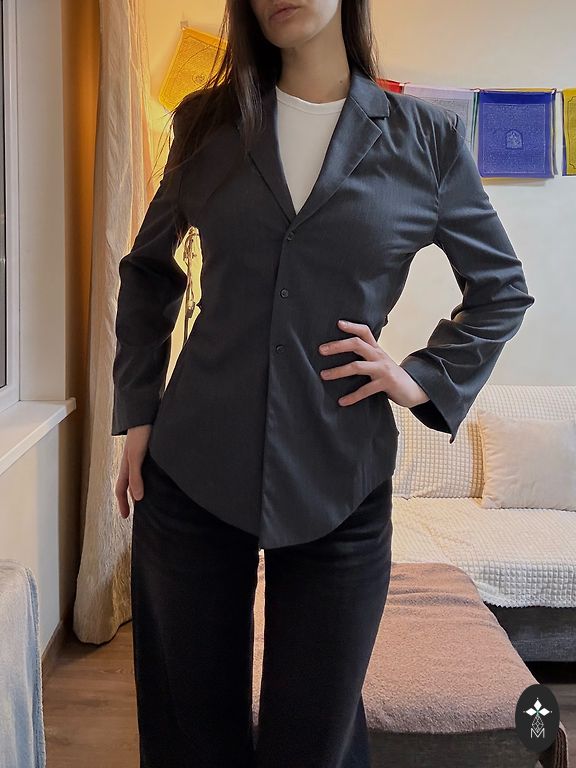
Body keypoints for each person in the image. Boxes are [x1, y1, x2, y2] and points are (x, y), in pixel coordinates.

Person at [112, 1, 535, 766]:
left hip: (341, 478)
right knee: (188, 737)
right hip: (192, 467)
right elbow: (148, 271)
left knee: (315, 742)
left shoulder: (426, 138)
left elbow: (501, 288)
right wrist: (138, 412)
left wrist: (419, 378)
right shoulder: (206, 124)